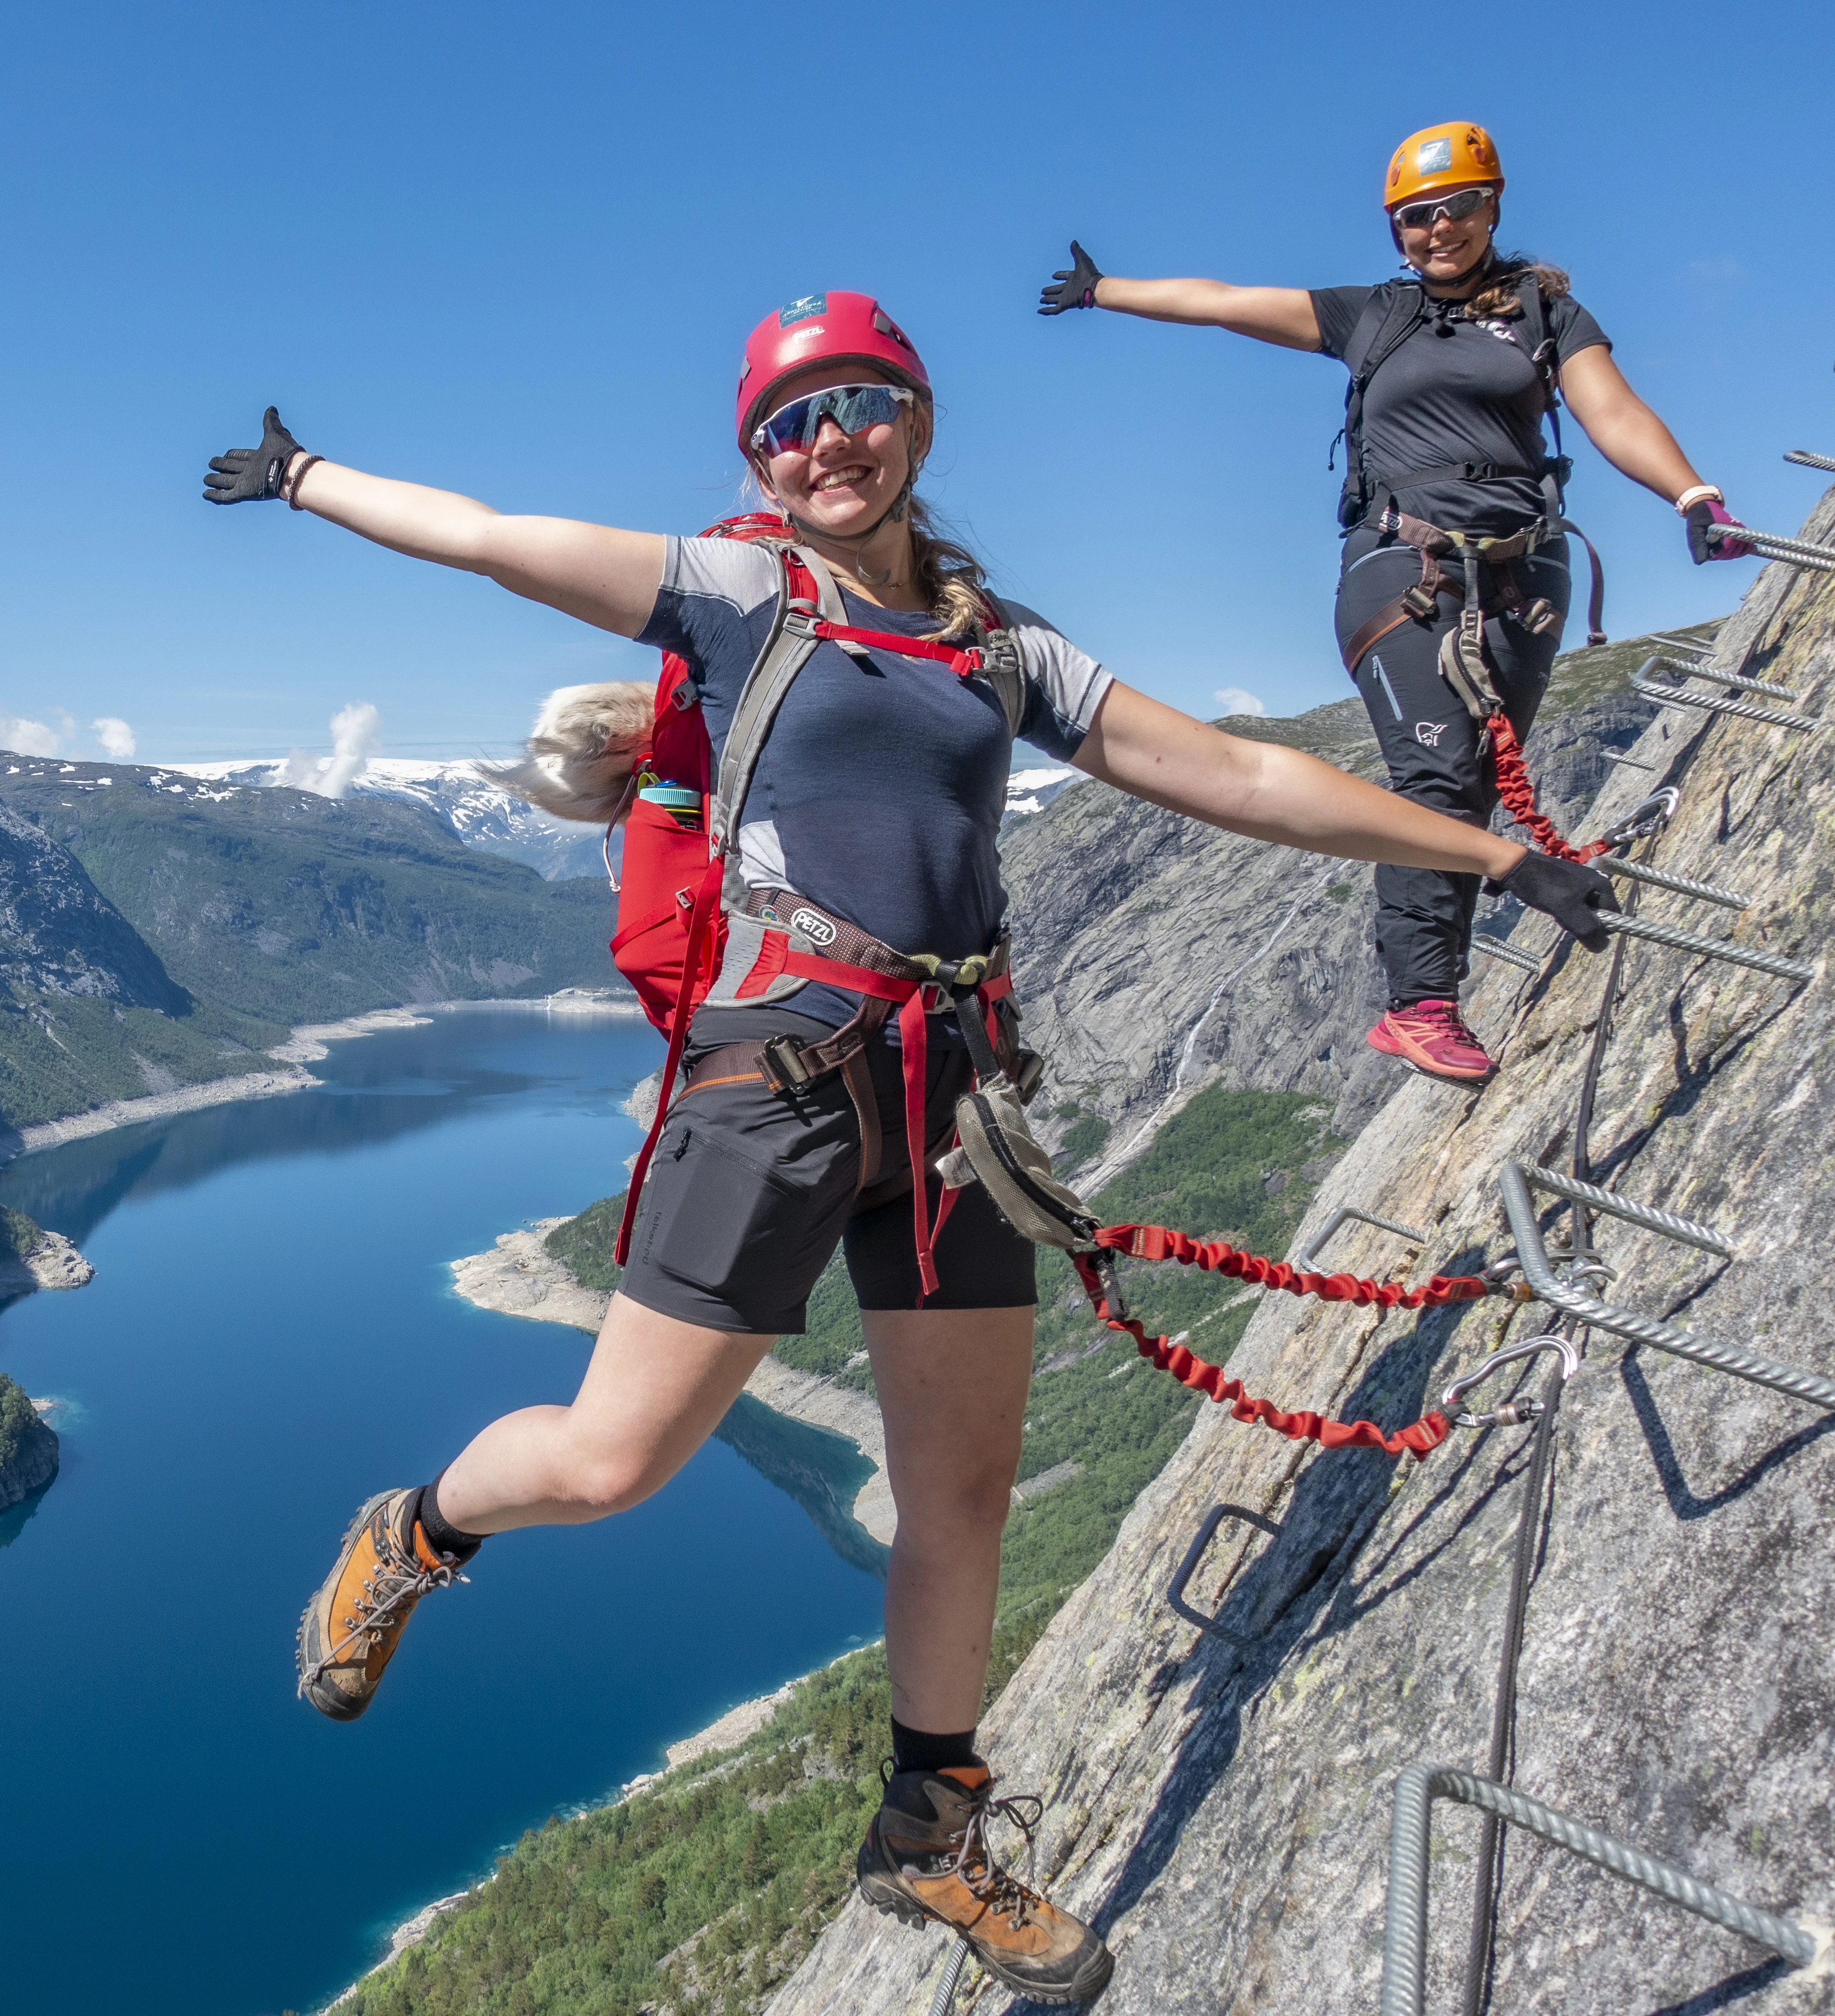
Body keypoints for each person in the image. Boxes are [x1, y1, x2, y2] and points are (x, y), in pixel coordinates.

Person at [201, 289, 1619, 2006]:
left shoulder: (997, 643)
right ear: (758, 462)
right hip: (777, 1079)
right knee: (608, 1463)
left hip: (953, 1094)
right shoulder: (739, 594)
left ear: (917, 422)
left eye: (856, 404)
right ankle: (414, 1530)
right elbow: (498, 542)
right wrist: (309, 479)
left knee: (957, 1495)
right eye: (788, 425)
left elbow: (1237, 776)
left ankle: (931, 1837)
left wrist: (1486, 860)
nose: (825, 443)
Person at [1036, 119, 1752, 1087]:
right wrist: (1105, 290)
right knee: (1434, 773)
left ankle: (1435, 997)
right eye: (1415, 217)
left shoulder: (1547, 317)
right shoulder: (1374, 314)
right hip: (1401, 567)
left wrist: (1692, 494)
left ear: (1493, 204)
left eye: (1456, 207)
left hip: (1524, 574)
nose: (1437, 230)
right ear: (1395, 229)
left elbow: (1611, 411)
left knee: (1473, 785)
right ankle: (1420, 1006)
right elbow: (1225, 304)